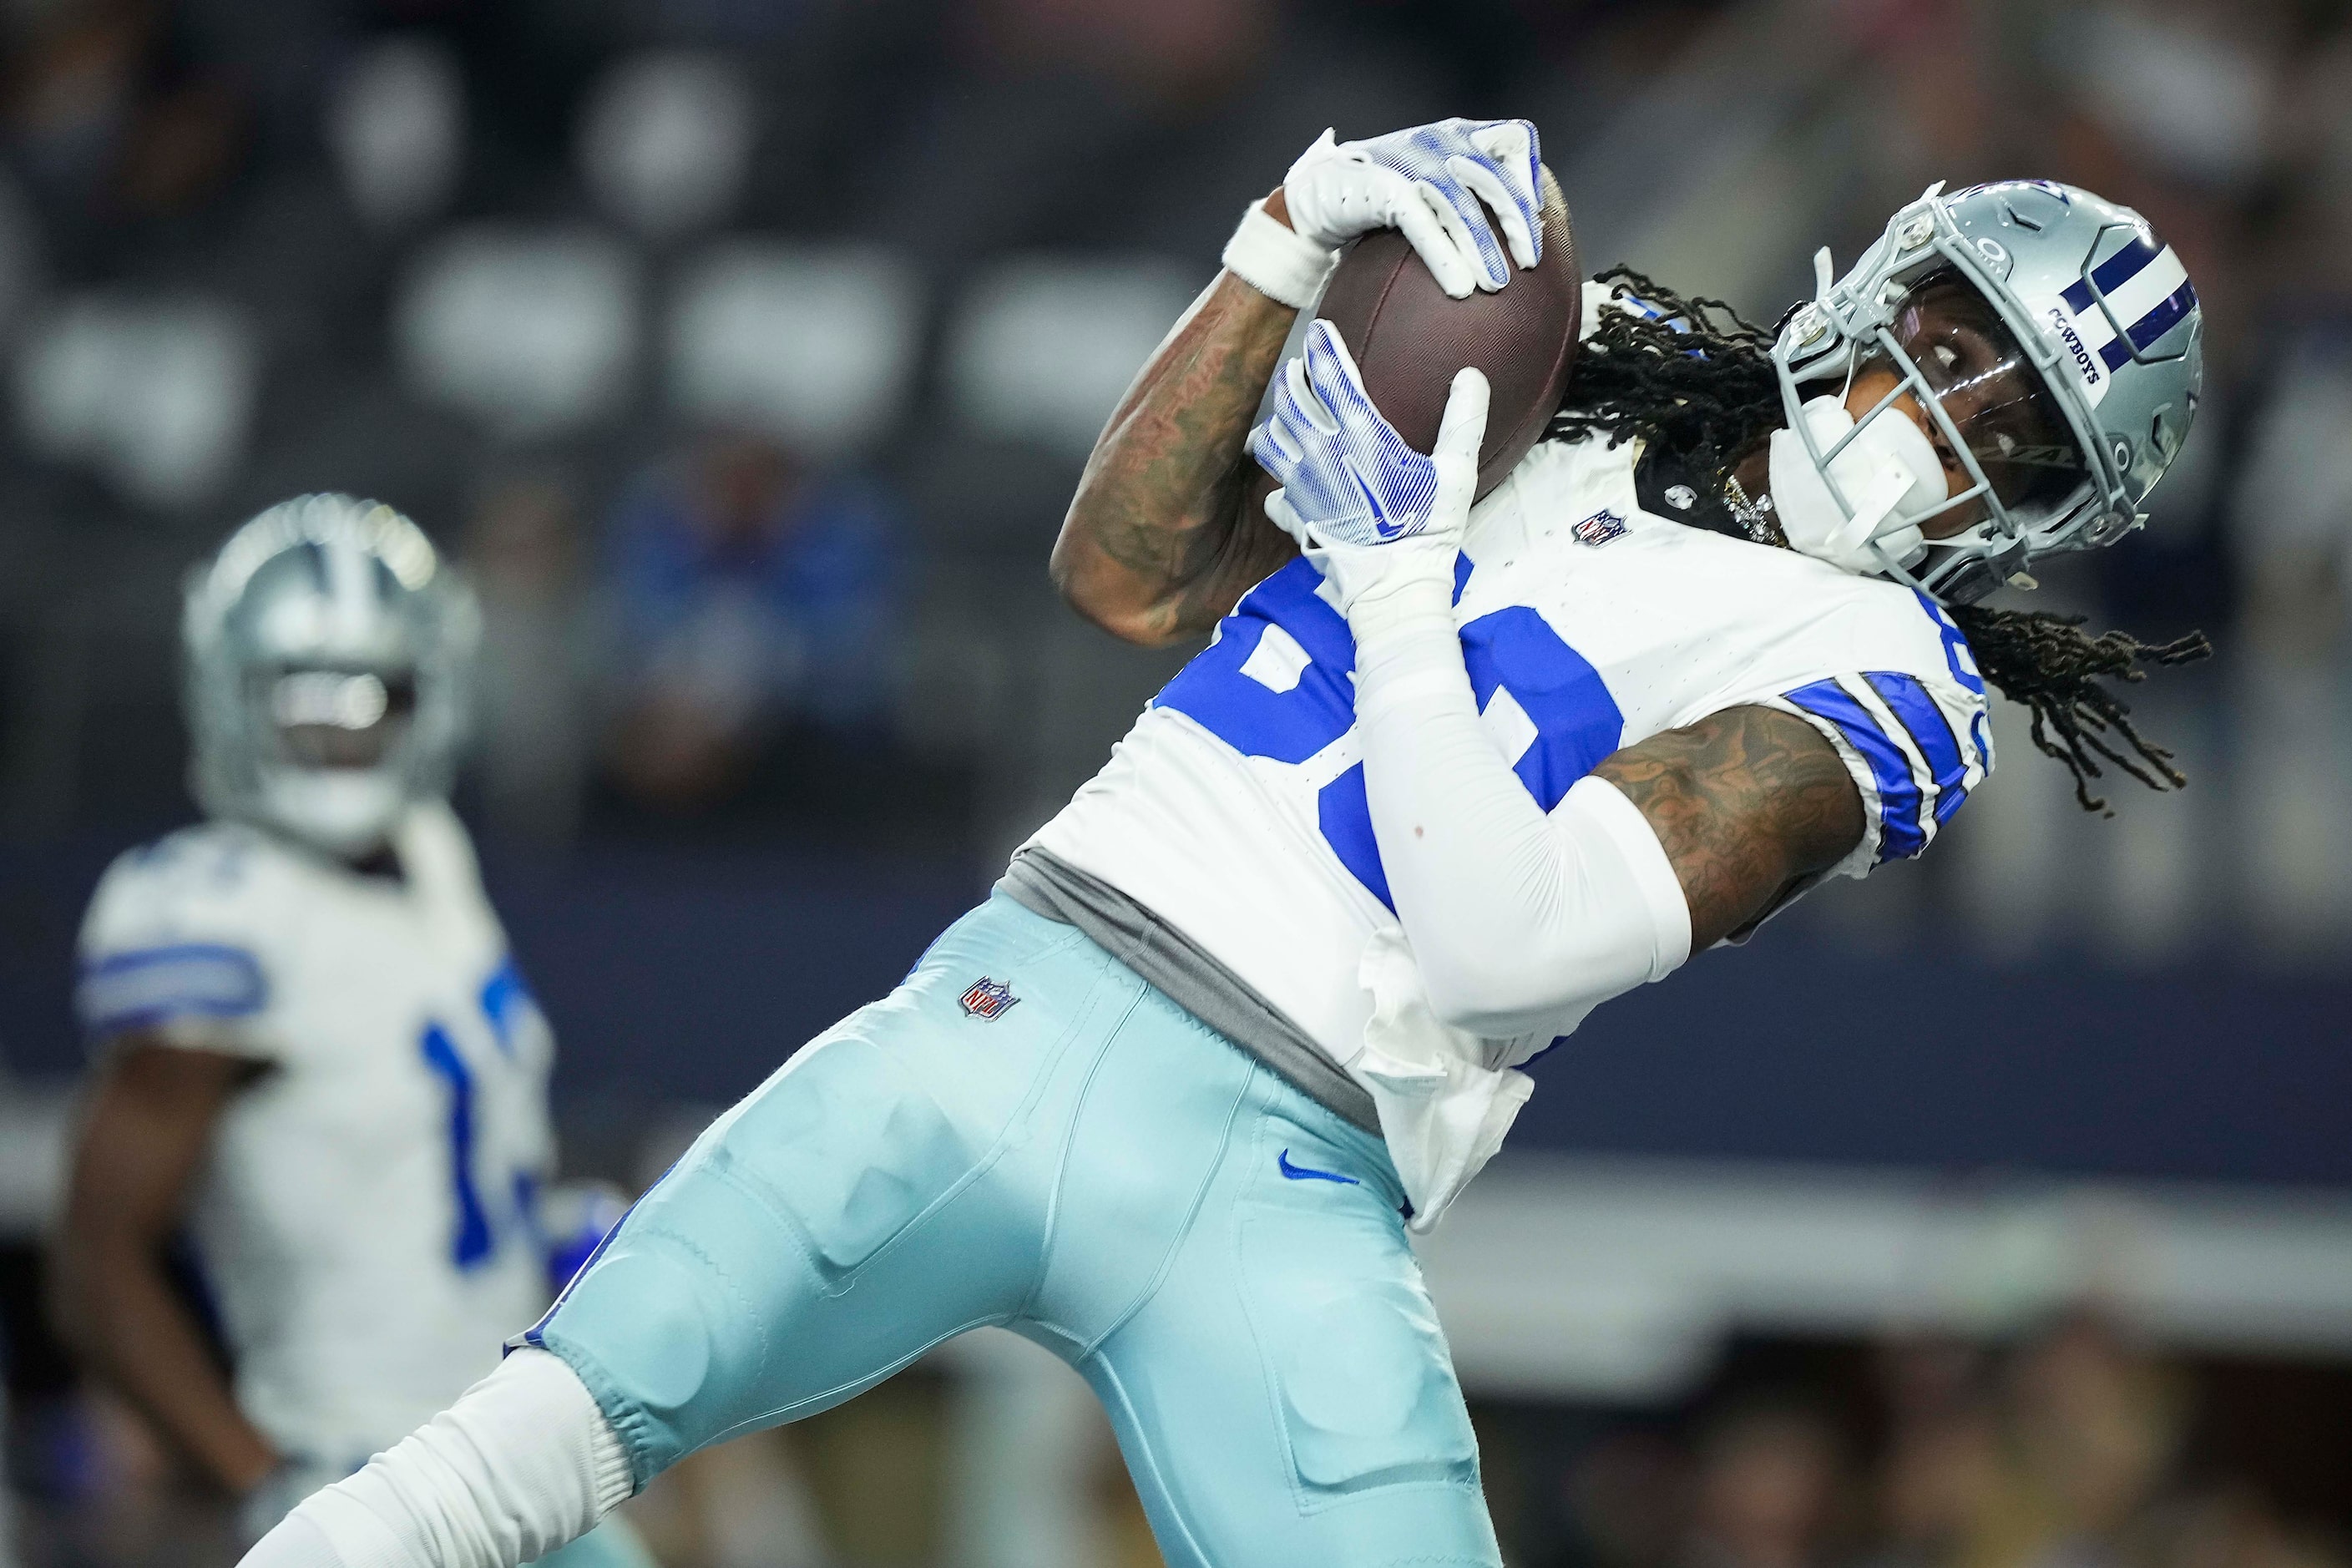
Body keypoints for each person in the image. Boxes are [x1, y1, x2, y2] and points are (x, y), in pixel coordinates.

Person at [241, 119, 2208, 1568]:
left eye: (2014, 431)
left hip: (1287, 1156)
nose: (1939, 421)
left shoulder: (1891, 674)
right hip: (1034, 979)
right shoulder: (1588, 356)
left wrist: (1400, 566)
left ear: (2055, 513)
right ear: (1884, 278)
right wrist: (1283, 235)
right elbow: (1121, 570)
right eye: (1949, 343)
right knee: (493, 1466)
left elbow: (1503, 948)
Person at [52, 495, 651, 1565]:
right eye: (299, 697)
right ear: (228, 693)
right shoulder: (211, 912)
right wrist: (260, 1484)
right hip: (355, 1466)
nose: (338, 729)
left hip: (514, 1444)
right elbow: (98, 1267)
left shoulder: (431, 853)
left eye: (377, 693)